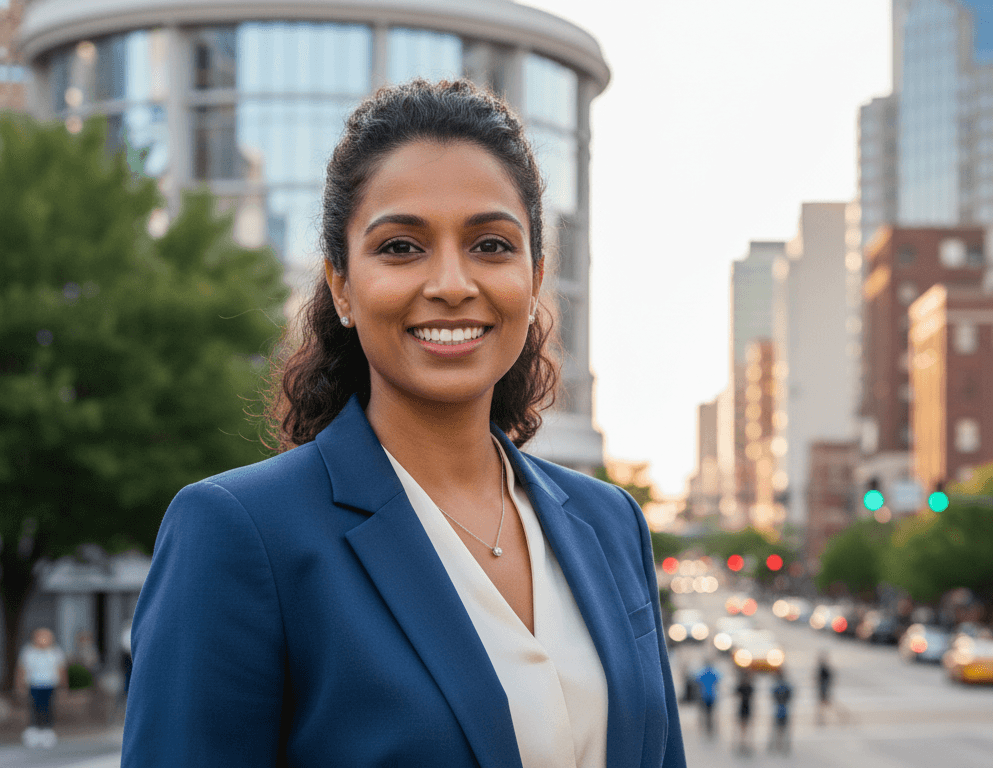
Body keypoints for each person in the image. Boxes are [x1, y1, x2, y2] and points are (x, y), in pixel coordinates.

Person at [123, 79, 685, 767]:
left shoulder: (611, 523)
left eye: (491, 245)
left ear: (535, 277)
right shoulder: (241, 535)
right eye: (400, 247)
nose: (452, 282)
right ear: (341, 286)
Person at [16, 628, 65, 749]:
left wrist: (64, 686)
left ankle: (47, 732)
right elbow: (22, 669)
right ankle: (34, 732)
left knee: (48, 708)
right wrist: (19, 684)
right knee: (34, 708)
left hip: (49, 685)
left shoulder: (55, 651)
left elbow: (61, 669)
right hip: (34, 685)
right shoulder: (28, 651)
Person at [767, 670, 793, 756]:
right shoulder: (786, 686)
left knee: (777, 728)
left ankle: (778, 744)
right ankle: (783, 745)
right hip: (784, 708)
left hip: (779, 709)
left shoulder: (776, 686)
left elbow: (772, 696)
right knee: (784, 728)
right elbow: (790, 696)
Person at [696, 661, 721, 738]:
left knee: (704, 712)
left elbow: (696, 679)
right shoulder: (714, 673)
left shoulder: (702, 672)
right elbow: (719, 680)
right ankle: (710, 727)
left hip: (704, 695)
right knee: (710, 713)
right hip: (712, 696)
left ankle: (705, 726)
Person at [734, 671, 755, 755]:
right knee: (742, 727)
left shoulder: (748, 687)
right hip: (743, 708)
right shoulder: (744, 686)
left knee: (746, 727)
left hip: (746, 708)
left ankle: (746, 743)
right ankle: (742, 743)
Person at [816, 651, 833, 725]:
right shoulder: (822, 668)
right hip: (823, 689)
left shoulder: (823, 669)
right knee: (823, 706)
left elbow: (826, 679)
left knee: (825, 705)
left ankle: (821, 719)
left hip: (824, 689)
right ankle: (821, 719)